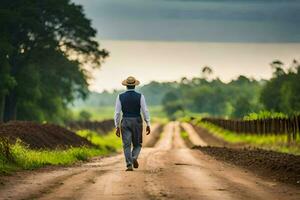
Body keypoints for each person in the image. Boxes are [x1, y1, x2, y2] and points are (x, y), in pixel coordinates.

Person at [114, 76, 151, 171]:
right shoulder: (140, 96)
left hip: (125, 120)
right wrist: (148, 123)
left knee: (126, 144)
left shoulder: (120, 97)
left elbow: (117, 113)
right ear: (135, 85)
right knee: (137, 144)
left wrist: (117, 126)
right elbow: (145, 110)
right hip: (137, 121)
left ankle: (129, 164)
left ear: (126, 86)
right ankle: (134, 157)